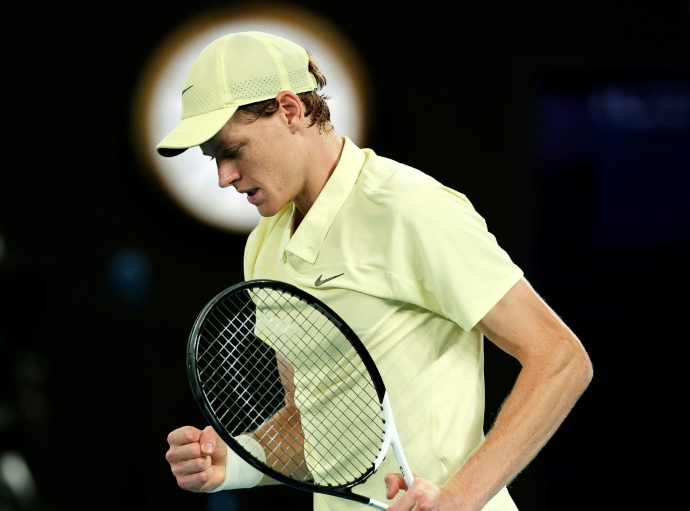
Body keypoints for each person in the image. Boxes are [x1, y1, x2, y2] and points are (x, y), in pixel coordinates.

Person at [157, 31, 593, 511]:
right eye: (213, 158)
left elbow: (559, 358)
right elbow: (315, 424)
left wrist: (460, 497)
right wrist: (238, 462)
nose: (224, 177)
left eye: (232, 150)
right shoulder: (262, 248)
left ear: (289, 110)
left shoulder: (411, 209)